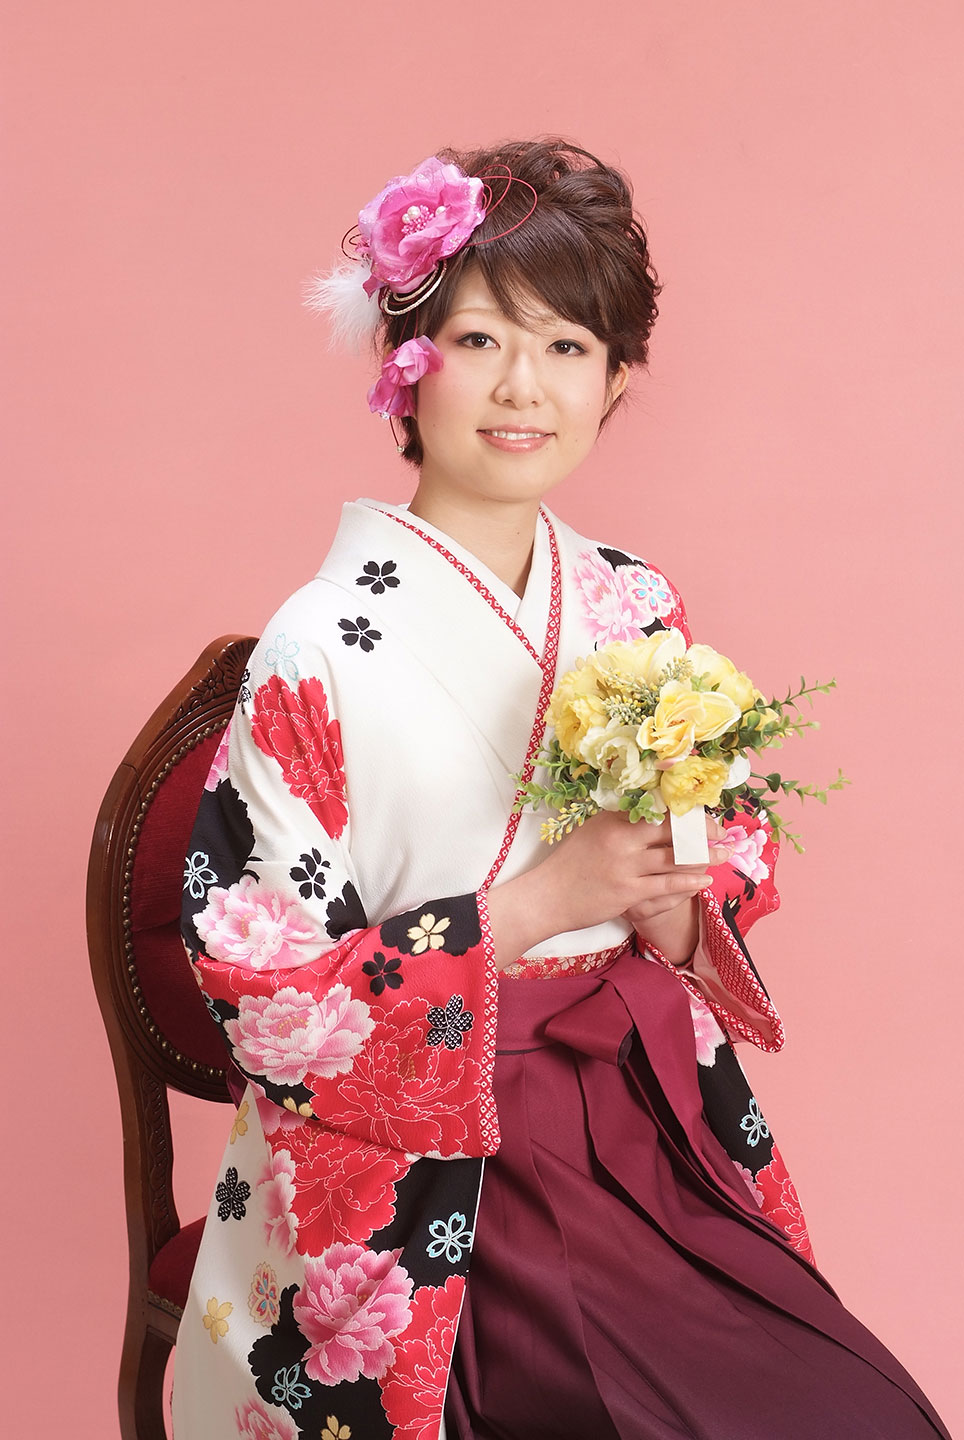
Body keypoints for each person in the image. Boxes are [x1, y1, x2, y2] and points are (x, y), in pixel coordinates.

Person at [174, 140, 949, 1440]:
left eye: (567, 346)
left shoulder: (632, 603)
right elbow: (265, 996)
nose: (522, 386)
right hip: (437, 1165)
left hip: (642, 1109)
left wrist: (669, 893)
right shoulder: (316, 652)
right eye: (479, 340)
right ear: (406, 364)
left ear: (616, 379)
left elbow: (719, 869)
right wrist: (539, 906)